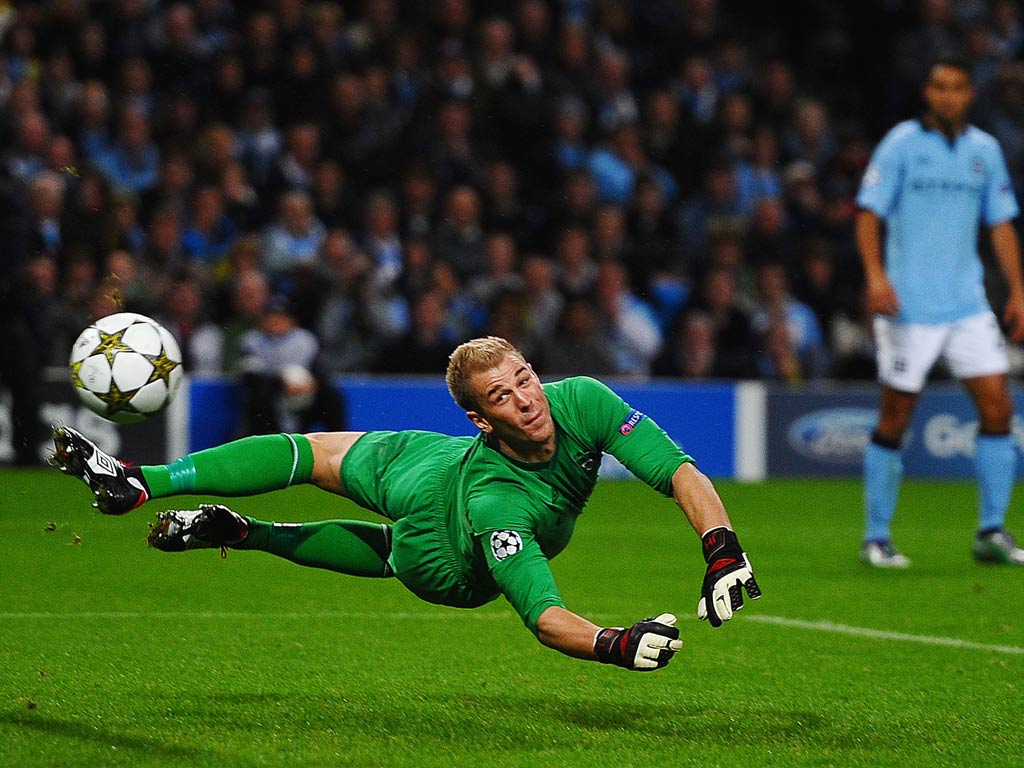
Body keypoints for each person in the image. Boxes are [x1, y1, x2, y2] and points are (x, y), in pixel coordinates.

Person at [51, 336, 760, 672]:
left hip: (431, 460)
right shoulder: (498, 509)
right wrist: (614, 642)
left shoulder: (584, 401)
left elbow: (679, 473)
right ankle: (208, 509)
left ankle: (150, 482)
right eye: (503, 398)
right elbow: (545, 619)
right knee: (390, 544)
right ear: (481, 419)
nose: (527, 401)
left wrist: (721, 546)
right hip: (445, 547)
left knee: (314, 454)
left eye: (525, 379)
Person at [856, 55, 1024, 568]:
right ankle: (876, 536)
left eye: (957, 87)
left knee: (998, 409)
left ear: (970, 94)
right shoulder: (902, 144)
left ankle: (991, 531)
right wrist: (876, 277)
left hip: (968, 303)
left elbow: (1000, 223)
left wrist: (1017, 290)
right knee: (896, 416)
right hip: (910, 305)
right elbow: (868, 211)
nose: (947, 95)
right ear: (928, 93)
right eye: (939, 87)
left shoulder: (984, 151)